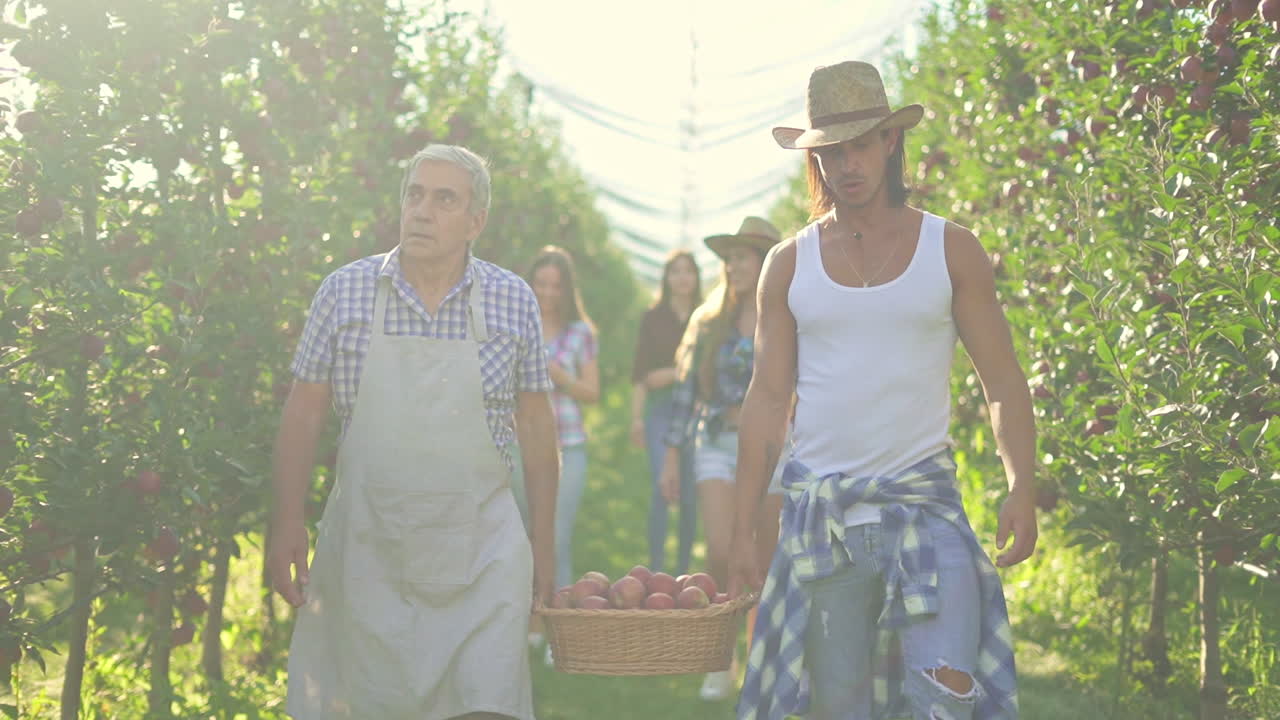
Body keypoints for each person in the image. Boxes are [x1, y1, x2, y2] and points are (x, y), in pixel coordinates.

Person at [729, 61, 1038, 720]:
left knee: (946, 702)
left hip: (924, 510)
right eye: (832, 151)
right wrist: (742, 525)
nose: (848, 164)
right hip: (824, 525)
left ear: (891, 142)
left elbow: (1003, 379)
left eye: (861, 144)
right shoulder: (789, 264)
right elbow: (764, 399)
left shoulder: (952, 249)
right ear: (816, 158)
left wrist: (1021, 484)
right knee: (838, 707)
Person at [269, 144, 559, 720]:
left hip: (482, 556)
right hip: (368, 549)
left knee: (485, 702)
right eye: (415, 195)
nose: (422, 211)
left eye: (444, 199)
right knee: (369, 701)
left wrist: (543, 549)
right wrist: (285, 522)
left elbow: (535, 426)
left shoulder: (512, 300)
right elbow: (302, 413)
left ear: (476, 221)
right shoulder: (344, 293)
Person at [659, 216, 788, 702]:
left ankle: (761, 657)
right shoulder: (709, 322)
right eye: (728, 258)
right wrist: (672, 457)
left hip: (776, 448)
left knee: (766, 559)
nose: (732, 266)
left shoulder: (788, 320)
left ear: (766, 262)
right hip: (716, 443)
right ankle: (720, 657)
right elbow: (684, 395)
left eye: (742, 257)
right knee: (720, 549)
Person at [525, 245, 600, 594]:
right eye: (541, 283)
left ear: (567, 290)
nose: (548, 293)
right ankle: (528, 624)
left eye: (556, 286)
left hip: (567, 446)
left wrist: (558, 375)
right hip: (520, 443)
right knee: (524, 535)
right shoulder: (518, 327)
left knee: (556, 537)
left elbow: (592, 391)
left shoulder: (579, 333)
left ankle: (559, 630)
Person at [630, 250, 702, 576]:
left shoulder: (707, 318)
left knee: (689, 495)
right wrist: (636, 419)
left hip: (695, 413)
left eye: (688, 271)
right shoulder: (653, 318)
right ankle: (656, 571)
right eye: (676, 271)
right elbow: (642, 375)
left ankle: (683, 573)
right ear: (667, 277)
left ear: (696, 277)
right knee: (663, 486)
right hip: (660, 411)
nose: (682, 277)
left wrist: (673, 373)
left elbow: (705, 373)